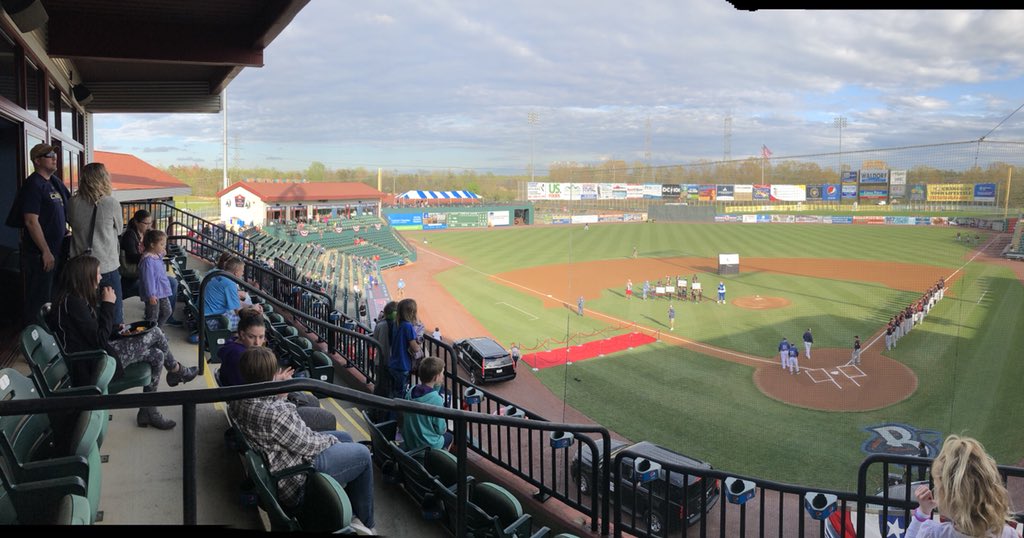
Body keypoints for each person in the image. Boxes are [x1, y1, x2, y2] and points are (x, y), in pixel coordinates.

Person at [230, 347, 375, 533]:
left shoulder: (238, 398)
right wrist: (281, 398)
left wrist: (274, 387)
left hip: (279, 457)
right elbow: (309, 444)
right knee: (363, 454)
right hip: (297, 475)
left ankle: (349, 508)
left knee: (346, 437)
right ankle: (366, 522)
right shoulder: (276, 414)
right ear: (270, 376)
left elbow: (262, 403)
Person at [47, 255, 198, 430]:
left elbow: (91, 333)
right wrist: (108, 305)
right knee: (156, 332)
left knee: (157, 355)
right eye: (97, 273)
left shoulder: (74, 298)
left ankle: (148, 411)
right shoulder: (73, 303)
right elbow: (99, 339)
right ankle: (177, 370)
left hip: (97, 355)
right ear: (85, 276)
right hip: (95, 363)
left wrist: (116, 329)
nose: (100, 278)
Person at [217, 308, 335, 431]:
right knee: (325, 416)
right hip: (264, 410)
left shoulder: (233, 346)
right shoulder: (240, 356)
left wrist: (274, 379)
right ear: (242, 334)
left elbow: (251, 381)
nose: (257, 342)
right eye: (252, 337)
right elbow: (252, 392)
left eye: (261, 337)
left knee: (311, 400)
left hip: (254, 403)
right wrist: (278, 390)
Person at [908, 435, 1016, 538]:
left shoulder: (931, 533)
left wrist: (923, 513)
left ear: (949, 496)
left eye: (937, 487)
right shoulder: (1010, 535)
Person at [15, 143, 71, 326]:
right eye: (49, 155)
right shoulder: (33, 185)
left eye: (55, 154)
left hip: (57, 252)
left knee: (52, 299)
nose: (55, 157)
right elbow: (31, 221)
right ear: (37, 161)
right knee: (39, 301)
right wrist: (45, 251)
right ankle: (34, 337)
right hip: (41, 255)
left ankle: (49, 335)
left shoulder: (53, 183)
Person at [68, 162, 125, 325]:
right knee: (113, 314)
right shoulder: (110, 203)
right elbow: (119, 229)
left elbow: (72, 224)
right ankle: (112, 339)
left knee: (87, 316)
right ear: (103, 178)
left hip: (80, 268)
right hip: (106, 266)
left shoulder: (73, 202)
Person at [401, 356, 454, 452]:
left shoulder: (411, 390)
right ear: (436, 377)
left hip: (410, 442)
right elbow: (441, 430)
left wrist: (437, 385)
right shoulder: (436, 400)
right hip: (428, 445)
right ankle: (438, 457)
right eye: (442, 373)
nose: (443, 376)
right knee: (449, 437)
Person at [205, 256, 261, 331]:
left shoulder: (219, 274)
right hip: (212, 321)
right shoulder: (229, 284)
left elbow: (236, 302)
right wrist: (253, 310)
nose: (243, 273)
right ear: (236, 273)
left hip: (205, 316)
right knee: (253, 320)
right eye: (242, 271)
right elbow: (238, 311)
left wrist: (251, 306)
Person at [138, 230, 173, 327]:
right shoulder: (147, 261)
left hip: (161, 290)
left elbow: (158, 260)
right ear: (152, 245)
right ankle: (151, 333)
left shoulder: (156, 255)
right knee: (152, 317)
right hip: (153, 294)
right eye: (162, 244)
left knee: (167, 311)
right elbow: (148, 279)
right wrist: (151, 295)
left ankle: (157, 330)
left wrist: (162, 254)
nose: (164, 246)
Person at [389, 298, 421, 399]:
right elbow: (415, 348)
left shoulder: (396, 323)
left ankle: (387, 408)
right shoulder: (407, 326)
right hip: (402, 365)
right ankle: (393, 410)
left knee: (393, 392)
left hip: (393, 363)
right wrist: (419, 344)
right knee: (399, 395)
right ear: (411, 312)